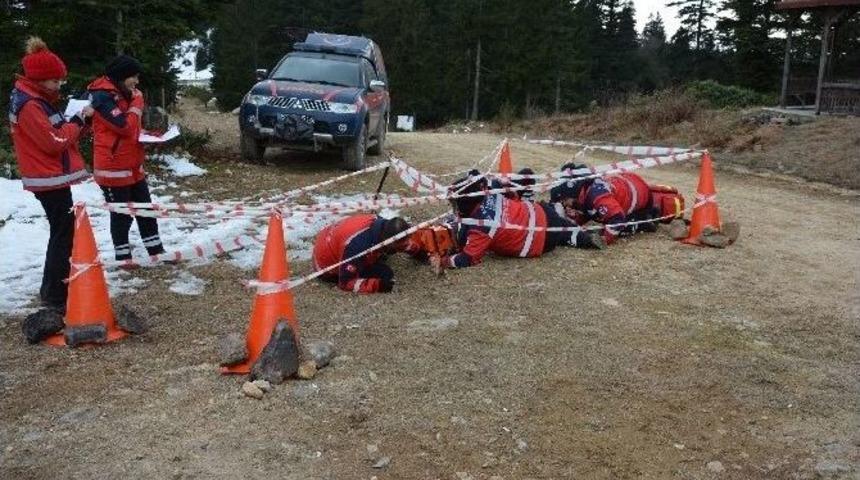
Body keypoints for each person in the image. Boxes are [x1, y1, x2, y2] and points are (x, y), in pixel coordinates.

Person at [9, 37, 93, 312]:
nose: (59, 85)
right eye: (54, 80)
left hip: (52, 176)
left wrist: (81, 122)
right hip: (48, 178)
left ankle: (56, 291)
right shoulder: (30, 104)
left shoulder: (38, 99)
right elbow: (53, 141)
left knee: (62, 231)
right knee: (62, 233)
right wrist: (78, 121)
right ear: (39, 78)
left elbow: (61, 133)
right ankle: (55, 296)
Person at [433, 171, 604, 272]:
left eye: (455, 203)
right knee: (561, 227)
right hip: (541, 211)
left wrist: (444, 262)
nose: (454, 207)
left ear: (465, 202)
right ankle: (582, 236)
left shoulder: (481, 227)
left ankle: (576, 235)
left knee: (558, 235)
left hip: (539, 241)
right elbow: (512, 194)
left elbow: (468, 258)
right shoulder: (491, 194)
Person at [87, 55, 165, 261]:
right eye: (134, 77)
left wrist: (148, 134)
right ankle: (123, 258)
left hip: (133, 165)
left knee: (146, 210)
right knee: (121, 215)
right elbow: (123, 126)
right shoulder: (101, 96)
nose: (137, 82)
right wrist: (137, 103)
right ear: (122, 76)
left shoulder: (124, 92)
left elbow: (132, 127)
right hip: (112, 169)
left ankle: (156, 252)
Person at [549, 163, 685, 245]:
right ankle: (647, 215)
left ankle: (643, 223)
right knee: (603, 218)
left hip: (641, 196)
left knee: (615, 225)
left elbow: (618, 218)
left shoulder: (597, 197)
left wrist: (604, 238)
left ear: (571, 194)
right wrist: (573, 223)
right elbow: (588, 211)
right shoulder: (585, 191)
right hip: (631, 183)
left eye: (564, 201)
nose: (565, 205)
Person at [312, 214, 416, 293]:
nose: (404, 246)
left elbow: (402, 242)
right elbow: (345, 283)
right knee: (385, 273)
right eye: (399, 244)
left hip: (329, 239)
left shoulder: (380, 223)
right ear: (388, 240)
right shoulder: (357, 247)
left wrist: (417, 250)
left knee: (386, 255)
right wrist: (378, 286)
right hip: (324, 266)